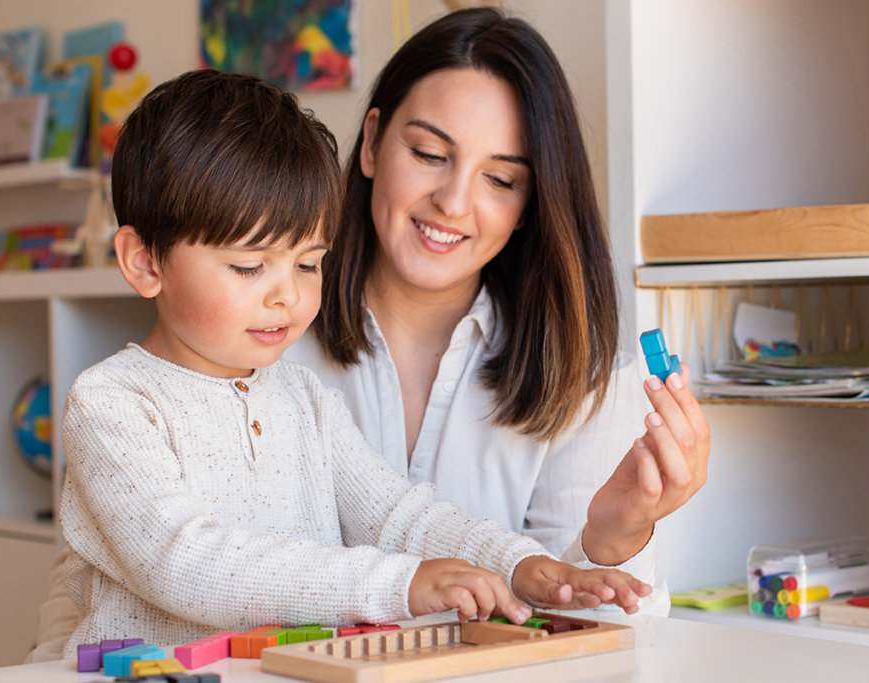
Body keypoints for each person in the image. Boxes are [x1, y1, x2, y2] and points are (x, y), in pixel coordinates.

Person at [54, 68, 651, 656]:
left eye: (308, 264)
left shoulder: (303, 396)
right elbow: (185, 562)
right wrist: (399, 585)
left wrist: (520, 566)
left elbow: (399, 516)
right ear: (144, 262)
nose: (286, 294)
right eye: (248, 266)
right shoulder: (113, 403)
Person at [284, 7, 710, 615]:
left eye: (501, 180)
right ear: (373, 141)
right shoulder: (264, 334)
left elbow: (600, 647)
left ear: (530, 203)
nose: (453, 202)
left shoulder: (582, 377)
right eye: (430, 153)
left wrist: (613, 541)